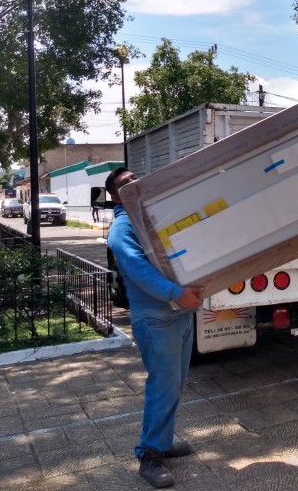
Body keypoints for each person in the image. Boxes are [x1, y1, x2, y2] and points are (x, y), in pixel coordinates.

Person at [106, 167, 204, 488]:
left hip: (179, 315)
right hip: (155, 319)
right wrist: (176, 293)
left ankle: (162, 441)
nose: (133, 184)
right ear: (114, 195)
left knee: (174, 384)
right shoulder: (122, 228)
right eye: (124, 183)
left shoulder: (151, 218)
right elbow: (139, 271)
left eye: (136, 178)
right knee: (162, 387)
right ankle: (149, 456)